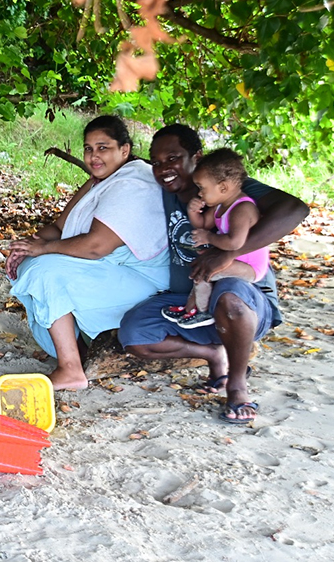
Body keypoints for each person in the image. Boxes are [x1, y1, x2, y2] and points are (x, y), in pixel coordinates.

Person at [119, 125, 309, 425]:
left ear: (196, 157)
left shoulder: (226, 188)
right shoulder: (171, 190)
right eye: (156, 163)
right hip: (190, 302)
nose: (164, 168)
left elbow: (295, 209)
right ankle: (213, 354)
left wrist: (228, 254)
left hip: (244, 300)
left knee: (230, 296)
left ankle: (236, 386)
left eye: (173, 158)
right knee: (134, 334)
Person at [6, 115, 169, 391]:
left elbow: (95, 246)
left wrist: (42, 249)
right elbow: (59, 228)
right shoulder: (100, 179)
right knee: (30, 263)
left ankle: (71, 370)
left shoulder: (134, 181)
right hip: (110, 272)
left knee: (44, 270)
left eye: (103, 147)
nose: (94, 156)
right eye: (88, 148)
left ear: (124, 150)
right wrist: (25, 246)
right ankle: (79, 348)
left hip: (142, 282)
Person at [163, 149, 269, 329]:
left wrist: (210, 238)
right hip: (232, 258)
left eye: (202, 188)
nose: (199, 194)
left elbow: (235, 242)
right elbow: (203, 223)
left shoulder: (241, 209)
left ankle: (202, 312)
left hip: (250, 266)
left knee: (205, 273)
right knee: (198, 269)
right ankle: (190, 308)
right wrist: (193, 212)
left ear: (223, 187)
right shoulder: (221, 205)